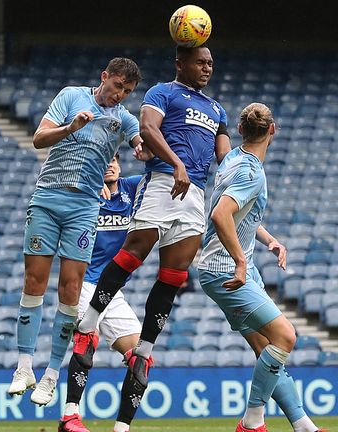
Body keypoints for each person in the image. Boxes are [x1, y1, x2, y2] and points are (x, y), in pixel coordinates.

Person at [76, 45, 231, 391]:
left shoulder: (217, 109)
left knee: (173, 277)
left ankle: (144, 349)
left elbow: (225, 157)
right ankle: (87, 325)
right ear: (181, 63)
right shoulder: (162, 92)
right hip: (162, 180)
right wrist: (176, 162)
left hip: (194, 194)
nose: (207, 68)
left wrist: (250, 152)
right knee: (133, 253)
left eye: (210, 63)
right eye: (200, 62)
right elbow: (147, 128)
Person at [7, 58, 144, 406]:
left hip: (84, 209)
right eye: (117, 87)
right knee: (33, 282)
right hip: (48, 198)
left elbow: (140, 141)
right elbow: (39, 138)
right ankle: (24, 367)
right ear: (104, 78)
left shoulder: (123, 119)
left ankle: (51, 376)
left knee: (70, 290)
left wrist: (144, 148)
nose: (120, 96)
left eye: (127, 92)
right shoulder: (71, 97)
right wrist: (71, 127)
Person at [198, 103, 324, 432]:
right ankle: (252, 422)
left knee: (266, 348)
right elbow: (221, 215)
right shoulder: (251, 172)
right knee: (285, 337)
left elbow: (241, 215)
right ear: (272, 130)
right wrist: (240, 261)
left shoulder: (231, 161)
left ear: (241, 131)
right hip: (226, 268)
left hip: (225, 266)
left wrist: (269, 241)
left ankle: (303, 425)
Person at [59, 154, 148, 432]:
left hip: (113, 290)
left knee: (141, 358)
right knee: (88, 340)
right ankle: (70, 417)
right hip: (85, 283)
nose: (110, 164)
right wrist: (86, 185)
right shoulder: (83, 193)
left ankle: (122, 428)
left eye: (114, 160)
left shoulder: (131, 188)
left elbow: (160, 172)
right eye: (104, 161)